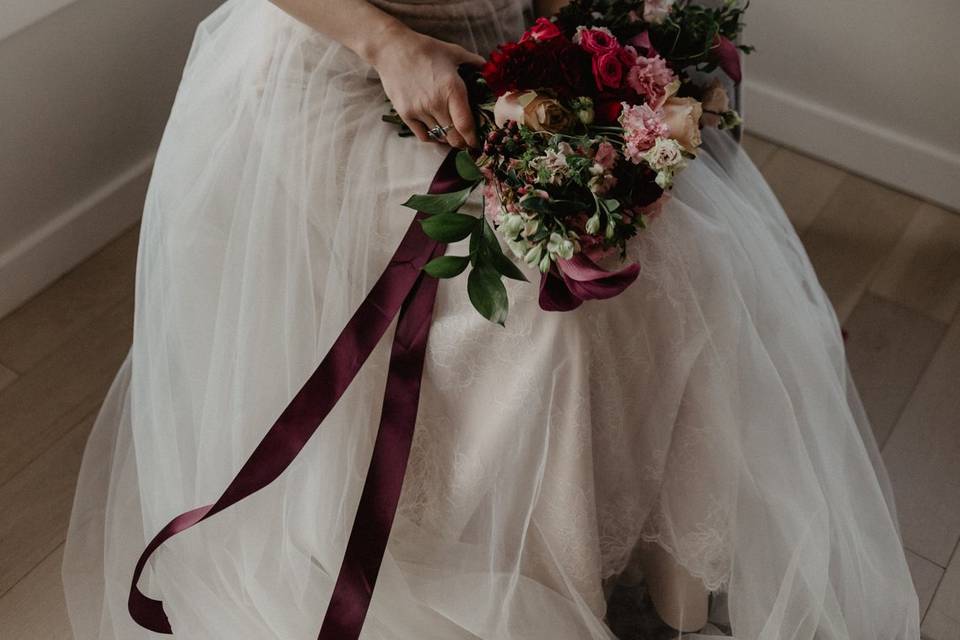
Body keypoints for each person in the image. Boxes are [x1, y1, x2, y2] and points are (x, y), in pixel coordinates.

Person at [62, 1, 922, 638]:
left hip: (516, 53)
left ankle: (656, 579)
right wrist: (387, 43)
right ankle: (512, 585)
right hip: (343, 59)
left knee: (682, 260)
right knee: (538, 315)